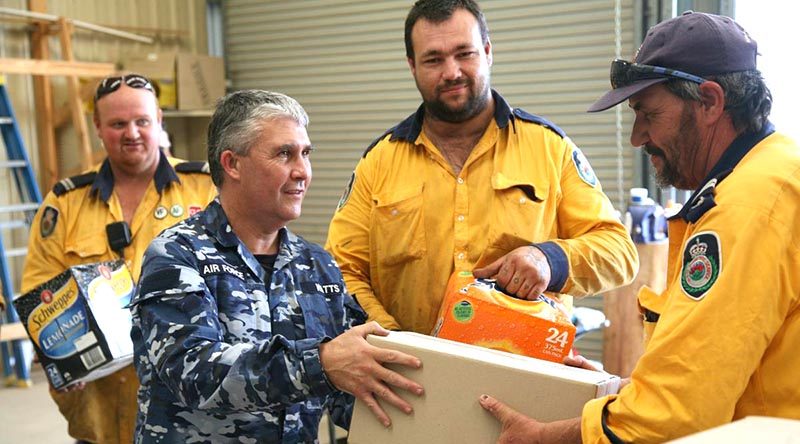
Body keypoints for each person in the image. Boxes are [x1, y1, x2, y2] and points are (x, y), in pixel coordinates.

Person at [480, 11, 800, 443]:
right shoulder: (774, 174)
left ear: (709, 101)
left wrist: (541, 437)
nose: (636, 136)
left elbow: (677, 415)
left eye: (648, 114)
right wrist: (622, 392)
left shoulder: (747, 208)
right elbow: (724, 369)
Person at [325, 0, 638, 334]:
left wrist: (550, 259)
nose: (451, 72)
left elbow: (618, 253)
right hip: (410, 376)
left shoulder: (548, 148)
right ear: (412, 65)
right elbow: (340, 271)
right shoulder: (379, 162)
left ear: (487, 52)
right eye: (433, 59)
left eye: (465, 53)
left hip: (525, 371)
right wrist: (393, 341)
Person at [129, 90, 425, 443]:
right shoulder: (177, 255)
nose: (302, 171)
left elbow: (353, 385)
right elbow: (194, 373)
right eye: (284, 154)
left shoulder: (317, 266)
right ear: (232, 164)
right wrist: (323, 362)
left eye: (305, 154)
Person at [21, 74, 217, 443]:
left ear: (159, 119)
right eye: (117, 124)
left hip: (187, 407)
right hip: (100, 404)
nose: (132, 133)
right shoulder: (65, 205)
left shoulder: (206, 189)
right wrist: (60, 356)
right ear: (97, 126)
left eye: (142, 121)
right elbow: (39, 291)